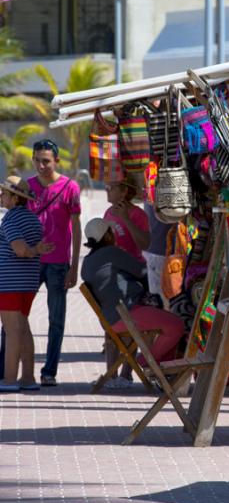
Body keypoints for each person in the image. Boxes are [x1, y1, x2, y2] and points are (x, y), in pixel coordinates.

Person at [80, 218, 185, 369]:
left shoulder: (88, 261)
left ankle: (161, 368)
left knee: (167, 322)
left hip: (112, 318)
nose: (114, 235)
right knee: (176, 325)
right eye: (112, 232)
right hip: (126, 314)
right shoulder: (110, 252)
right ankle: (148, 361)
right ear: (107, 235)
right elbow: (142, 271)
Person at [28, 138, 81, 387]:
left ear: (56, 161)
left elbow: (77, 228)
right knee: (14, 316)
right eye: (37, 160)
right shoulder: (26, 188)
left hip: (58, 263)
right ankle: (7, 368)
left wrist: (74, 266)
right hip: (29, 262)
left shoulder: (70, 187)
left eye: (46, 161)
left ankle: (49, 372)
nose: (41, 166)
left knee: (56, 321)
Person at [0, 176, 54, 392]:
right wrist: (36, 251)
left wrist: (33, 251)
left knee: (12, 330)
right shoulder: (33, 219)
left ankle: (10, 380)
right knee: (23, 328)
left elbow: (20, 249)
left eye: (4, 193)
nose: (1, 196)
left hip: (9, 282)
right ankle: (28, 378)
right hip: (27, 282)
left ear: (15, 198)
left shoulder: (11, 219)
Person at [104, 178, 149, 262]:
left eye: (111, 187)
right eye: (106, 187)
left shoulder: (138, 214)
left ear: (124, 191)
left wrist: (126, 219)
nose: (107, 190)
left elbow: (145, 245)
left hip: (131, 268)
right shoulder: (108, 212)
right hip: (113, 266)